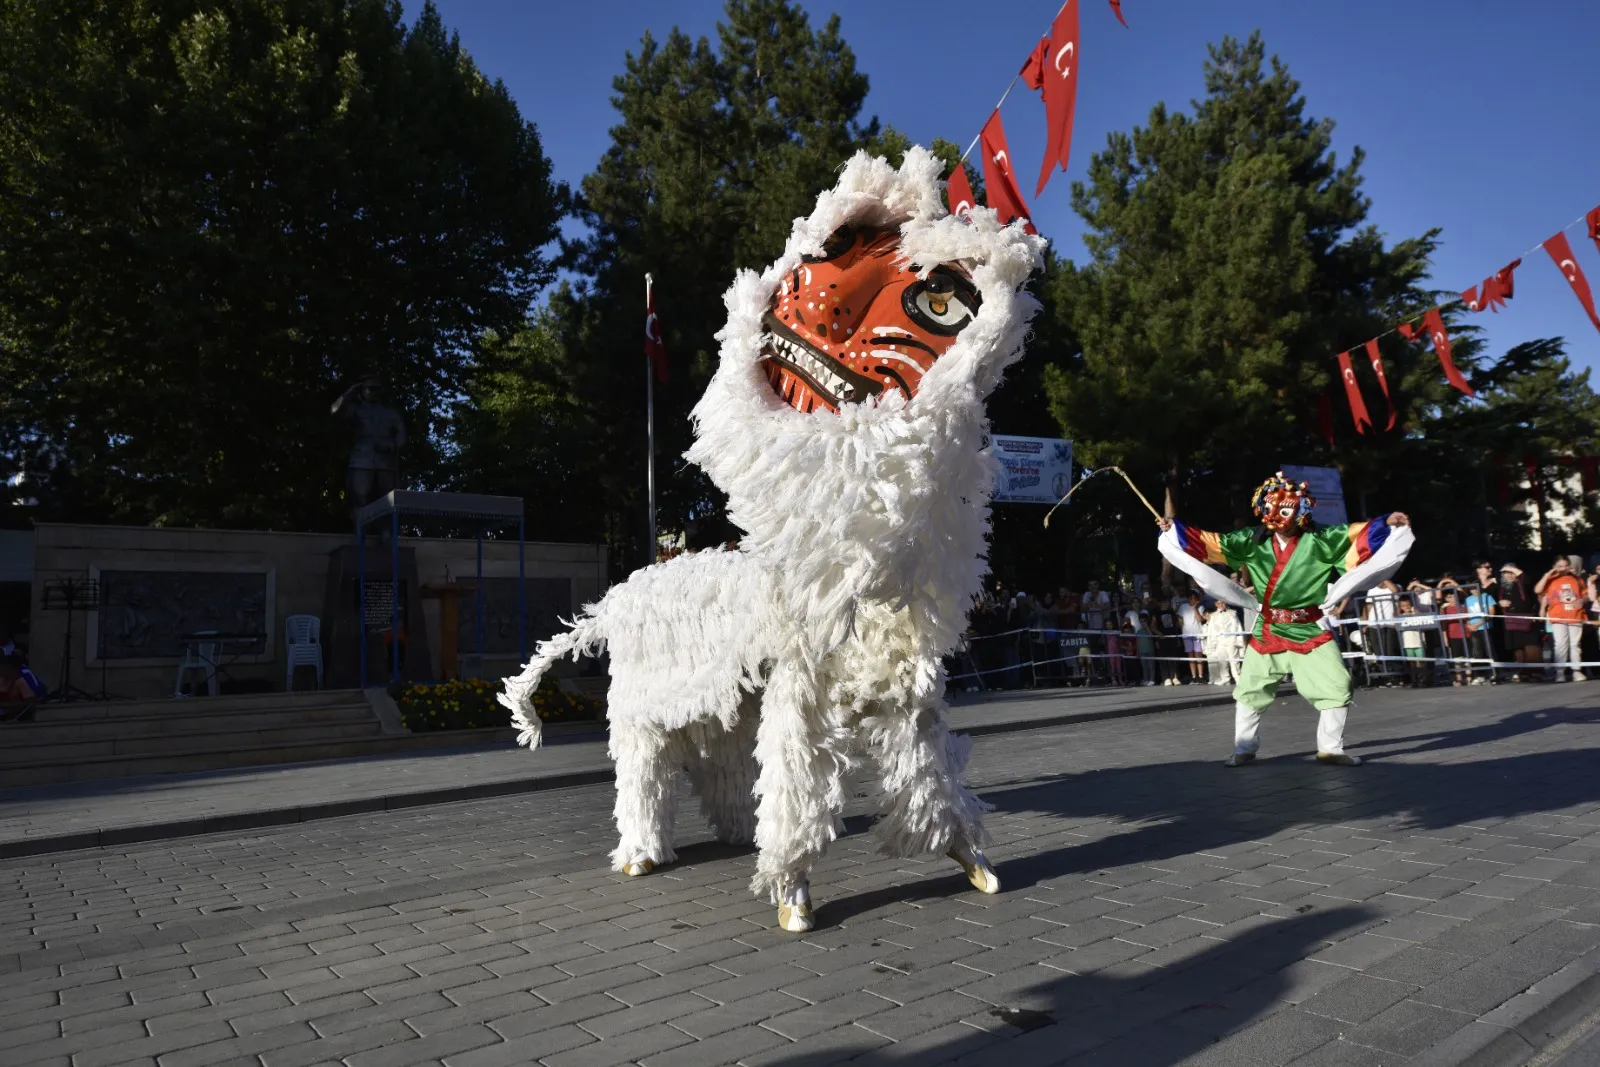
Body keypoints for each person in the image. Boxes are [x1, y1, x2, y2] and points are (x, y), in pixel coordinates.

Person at [1157, 471, 1413, 768]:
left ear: (1300, 510)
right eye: (1270, 507)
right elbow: (1210, 542)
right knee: (1250, 689)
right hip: (1270, 627)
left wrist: (1385, 523)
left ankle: (1330, 748)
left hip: (1309, 626)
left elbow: (1356, 535)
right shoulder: (1251, 541)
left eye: (1285, 508)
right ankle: (1244, 747)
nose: (1277, 514)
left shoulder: (1321, 540)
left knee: (1337, 683)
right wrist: (1173, 530)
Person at [1535, 557, 1588, 682]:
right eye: (1559, 566)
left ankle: (1576, 670)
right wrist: (1548, 574)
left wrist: (1582, 600)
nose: (1563, 568)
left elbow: (1585, 594)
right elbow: (1538, 590)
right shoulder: (1550, 579)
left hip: (1575, 615)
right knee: (1560, 644)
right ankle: (1560, 672)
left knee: (1575, 644)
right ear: (1554, 566)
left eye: (1565, 565)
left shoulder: (1576, 578)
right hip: (1557, 616)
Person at [1498, 564, 1541, 682]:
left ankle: (1536, 672)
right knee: (1517, 648)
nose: (1509, 575)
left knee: (1531, 646)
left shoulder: (1522, 583)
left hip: (1526, 619)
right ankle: (1523, 672)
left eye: (1511, 572)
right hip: (1511, 621)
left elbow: (1525, 578)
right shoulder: (1502, 587)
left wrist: (1512, 568)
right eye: (1506, 573)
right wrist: (1500, 602)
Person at [1464, 562, 1498, 684]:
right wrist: (1469, 624)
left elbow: (1491, 613)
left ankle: (1494, 674)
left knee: (1490, 650)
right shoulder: (1468, 600)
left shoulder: (1486, 596)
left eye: (1476, 587)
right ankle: (1480, 675)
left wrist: (1478, 624)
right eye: (1472, 589)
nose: (1474, 591)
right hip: (1474, 629)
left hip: (1485, 627)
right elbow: (1467, 614)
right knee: (1477, 652)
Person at [1202, 598, 1244, 685]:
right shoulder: (1213, 615)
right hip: (1220, 640)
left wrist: (1239, 640)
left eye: (1222, 603)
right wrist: (1213, 643)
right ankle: (1226, 679)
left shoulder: (1233, 613)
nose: (1221, 605)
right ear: (1215, 604)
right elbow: (1212, 630)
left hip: (1231, 638)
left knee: (1234, 660)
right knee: (1222, 661)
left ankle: (1238, 678)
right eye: (1218, 603)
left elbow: (1238, 627)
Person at [1440, 588, 1469, 686]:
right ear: (1446, 599)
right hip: (1453, 635)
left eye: (1454, 596)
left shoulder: (1463, 607)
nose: (1453, 598)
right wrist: (1445, 638)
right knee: (1457, 657)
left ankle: (1469, 677)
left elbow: (1468, 620)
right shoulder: (1445, 609)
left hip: (1466, 634)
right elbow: (1444, 625)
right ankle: (1459, 678)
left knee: (1467, 657)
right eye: (1450, 597)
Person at [1397, 597, 1429, 687]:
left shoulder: (1416, 614)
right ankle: (1414, 680)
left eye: (1408, 605)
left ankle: (1424, 679)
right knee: (1412, 663)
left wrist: (1415, 611)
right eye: (1403, 606)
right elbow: (1396, 626)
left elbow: (1423, 620)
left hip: (1419, 642)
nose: (1406, 607)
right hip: (1408, 643)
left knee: (1422, 662)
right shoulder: (1401, 617)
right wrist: (1399, 611)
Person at [1178, 591, 1207, 682]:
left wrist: (1194, 608)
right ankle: (1194, 676)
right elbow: (1179, 618)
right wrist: (1182, 626)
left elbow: (1200, 620)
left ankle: (1201, 676)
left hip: (1197, 635)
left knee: (1198, 655)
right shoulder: (1183, 607)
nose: (1192, 599)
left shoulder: (1201, 607)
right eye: (1190, 598)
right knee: (1190, 656)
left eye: (1194, 598)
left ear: (1197, 599)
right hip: (1187, 635)